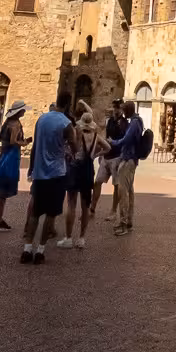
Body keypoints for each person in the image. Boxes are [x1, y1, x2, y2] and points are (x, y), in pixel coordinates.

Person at [21, 101, 76, 264]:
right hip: (57, 174)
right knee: (51, 214)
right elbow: (75, 147)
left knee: (35, 213)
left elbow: (35, 147)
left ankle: (27, 249)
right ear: (66, 107)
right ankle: (40, 251)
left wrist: (32, 168)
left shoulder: (41, 120)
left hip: (40, 174)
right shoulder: (66, 123)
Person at [59, 102, 103, 248]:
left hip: (75, 167)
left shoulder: (76, 131)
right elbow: (108, 147)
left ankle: (68, 238)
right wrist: (96, 154)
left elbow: (70, 147)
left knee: (71, 203)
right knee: (85, 205)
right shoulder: (95, 134)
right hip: (88, 168)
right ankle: (82, 239)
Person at [104, 100, 145, 237]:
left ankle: (123, 224)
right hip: (130, 159)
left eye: (124, 109)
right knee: (129, 191)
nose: (123, 112)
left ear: (128, 109)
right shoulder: (136, 121)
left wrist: (113, 142)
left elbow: (126, 139)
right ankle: (129, 222)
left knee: (123, 192)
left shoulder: (134, 122)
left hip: (128, 160)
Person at [0, 101, 27, 232]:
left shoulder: (6, 123)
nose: (25, 112)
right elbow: (13, 141)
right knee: (2, 190)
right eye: (23, 110)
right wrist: (25, 142)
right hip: (10, 158)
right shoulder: (15, 124)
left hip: (3, 155)